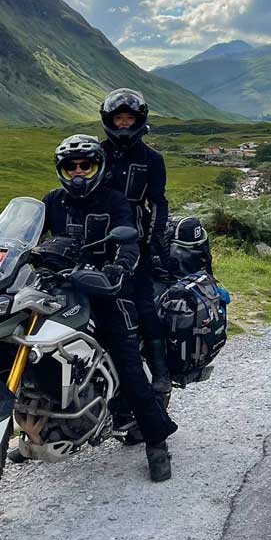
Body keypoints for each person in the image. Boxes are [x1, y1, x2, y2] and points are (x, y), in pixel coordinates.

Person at [41, 133, 177, 481]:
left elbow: (129, 239)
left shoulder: (116, 201)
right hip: (59, 288)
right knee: (31, 349)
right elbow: (30, 236)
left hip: (103, 290)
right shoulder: (53, 201)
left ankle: (156, 440)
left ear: (98, 167)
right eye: (70, 167)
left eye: (85, 165)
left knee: (126, 359)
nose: (78, 173)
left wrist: (118, 268)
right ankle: (34, 427)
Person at [98, 89, 171, 398]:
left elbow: (158, 202)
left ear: (139, 121)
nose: (124, 124)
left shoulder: (152, 159)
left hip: (135, 242)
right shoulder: (96, 153)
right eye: (119, 118)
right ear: (109, 120)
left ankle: (160, 372)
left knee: (143, 306)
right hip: (96, 238)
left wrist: (153, 244)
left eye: (129, 118)